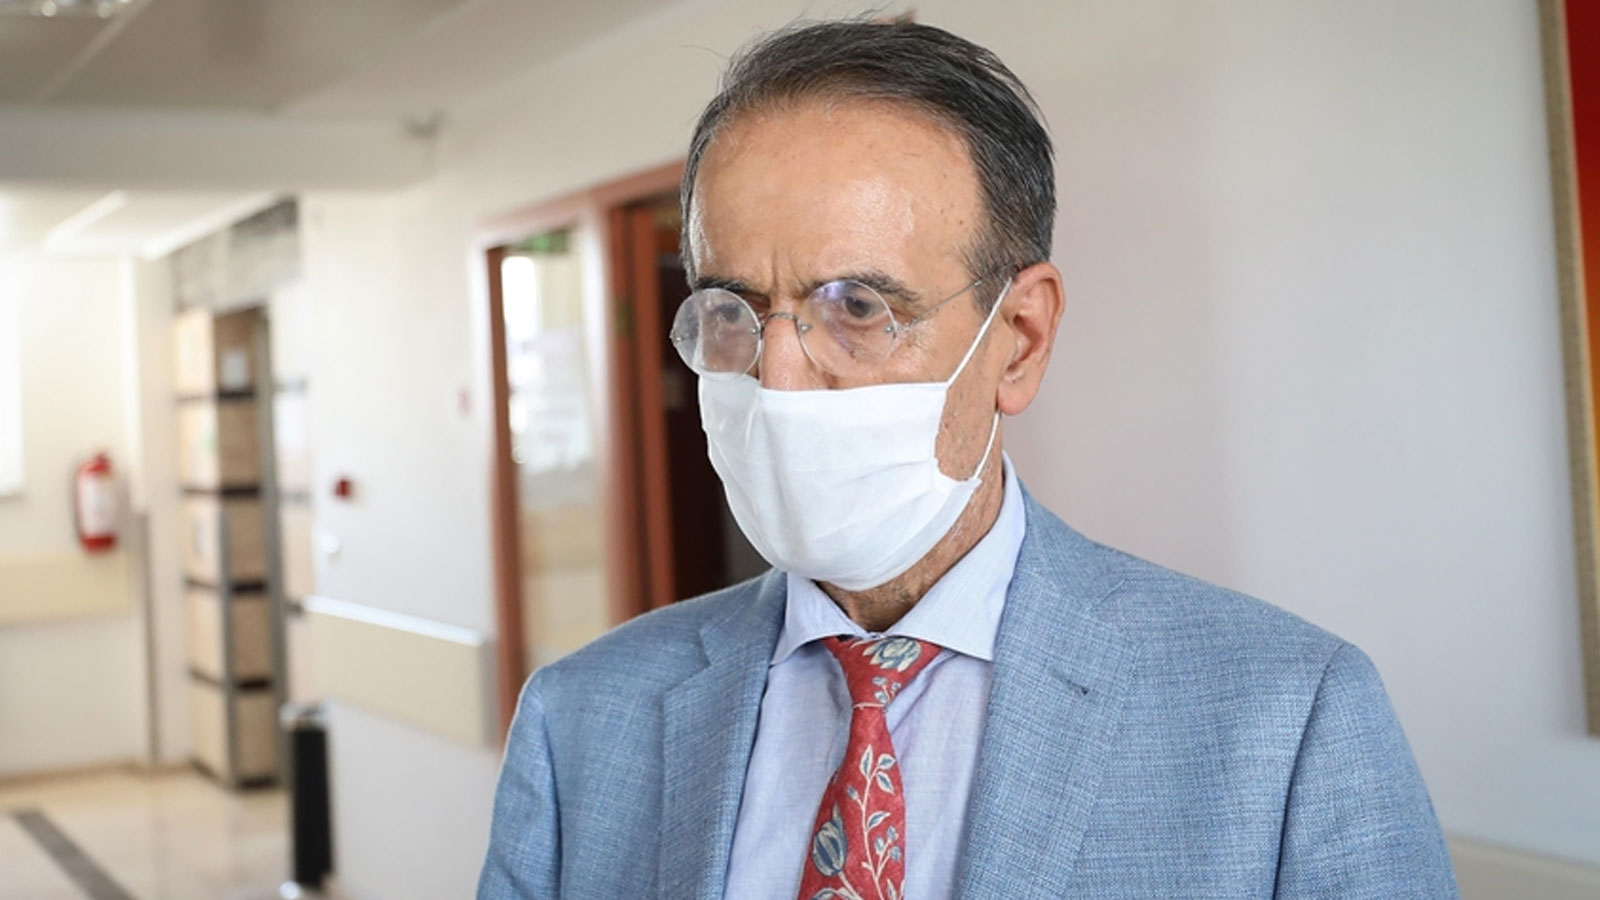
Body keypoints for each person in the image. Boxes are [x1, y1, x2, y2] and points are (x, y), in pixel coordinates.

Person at [478, 18, 1457, 900]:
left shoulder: (1289, 720)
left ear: (1019, 340)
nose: (778, 382)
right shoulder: (581, 721)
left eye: (857, 307)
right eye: (733, 310)